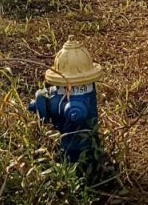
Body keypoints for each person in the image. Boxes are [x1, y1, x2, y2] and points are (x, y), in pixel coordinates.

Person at [28, 38, 110, 182]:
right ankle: (89, 166)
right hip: (87, 144)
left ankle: (77, 171)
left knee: (76, 116)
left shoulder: (66, 105)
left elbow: (75, 112)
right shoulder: (77, 97)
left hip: (70, 144)